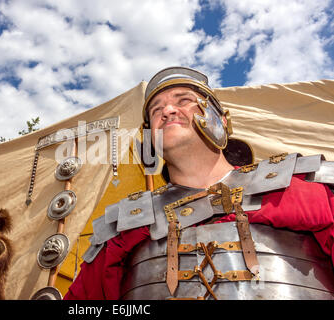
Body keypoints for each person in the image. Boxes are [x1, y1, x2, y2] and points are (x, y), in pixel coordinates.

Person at [64, 66, 334, 300]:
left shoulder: (299, 187)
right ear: (149, 138)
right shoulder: (123, 228)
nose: (168, 111)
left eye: (183, 100)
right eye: (156, 110)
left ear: (222, 120)